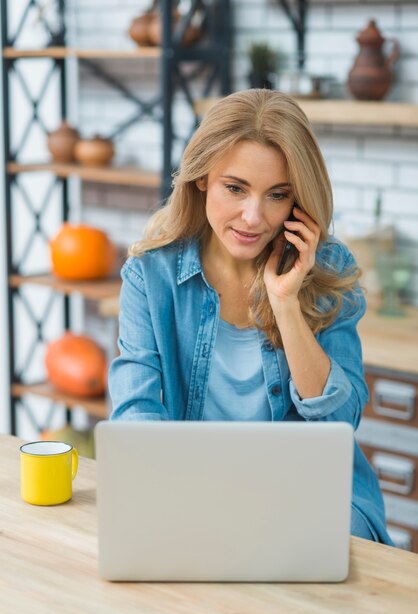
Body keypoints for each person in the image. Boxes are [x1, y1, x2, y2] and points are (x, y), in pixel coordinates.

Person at [109, 89, 393, 546]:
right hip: (198, 491)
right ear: (202, 178)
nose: (253, 217)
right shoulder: (150, 275)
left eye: (277, 195)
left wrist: (285, 303)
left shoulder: (327, 268)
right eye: (235, 188)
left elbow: (340, 424)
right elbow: (134, 412)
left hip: (311, 495)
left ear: (297, 201)